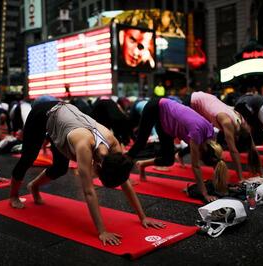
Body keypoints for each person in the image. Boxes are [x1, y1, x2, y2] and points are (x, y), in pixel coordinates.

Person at [10, 101, 164, 245]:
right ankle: (13, 195)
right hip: (42, 114)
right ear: (99, 167)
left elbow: (124, 180)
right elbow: (89, 191)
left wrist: (143, 217)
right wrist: (102, 231)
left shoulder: (114, 144)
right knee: (28, 158)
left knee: (60, 168)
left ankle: (34, 186)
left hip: (66, 120)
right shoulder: (84, 147)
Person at [127, 98, 230, 202]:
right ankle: (124, 172)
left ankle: (142, 164)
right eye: (201, 157)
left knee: (168, 160)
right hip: (156, 107)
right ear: (203, 151)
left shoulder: (210, 136)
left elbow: (214, 158)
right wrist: (205, 194)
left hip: (166, 123)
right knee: (140, 143)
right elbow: (196, 166)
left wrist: (221, 182)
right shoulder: (197, 134)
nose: (198, 158)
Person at [185, 91, 263, 178]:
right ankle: (183, 157)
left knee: (209, 141)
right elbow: (233, 151)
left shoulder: (244, 126)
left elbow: (253, 150)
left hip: (208, 100)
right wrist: (241, 177)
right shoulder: (227, 123)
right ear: (237, 138)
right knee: (197, 137)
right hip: (194, 100)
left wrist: (262, 174)